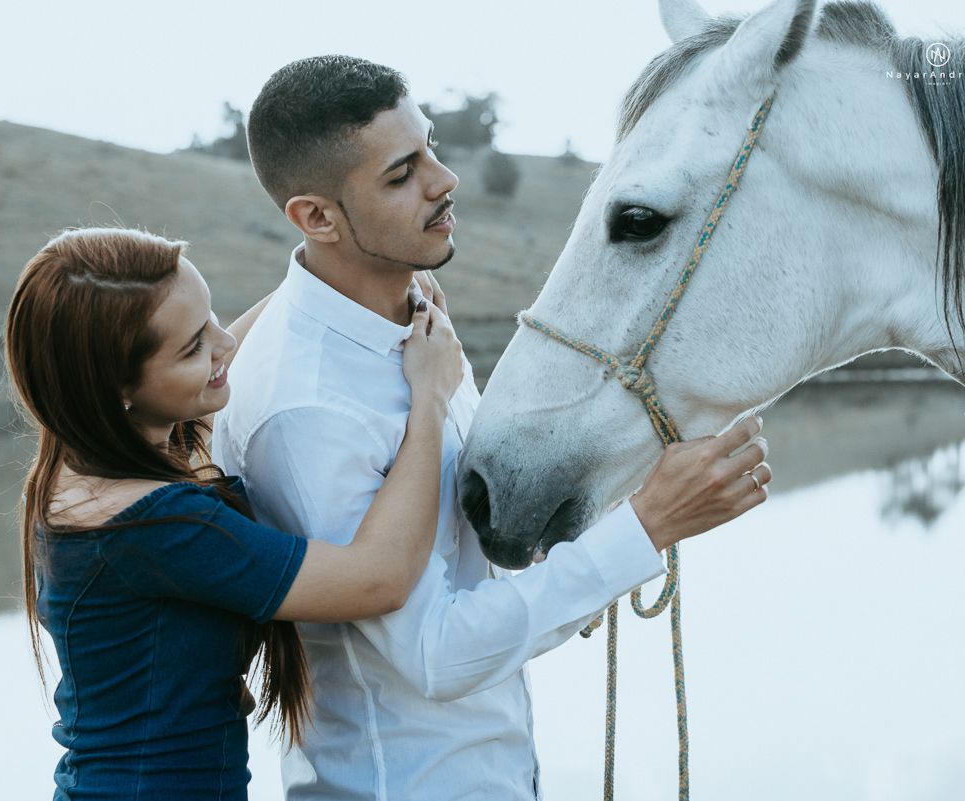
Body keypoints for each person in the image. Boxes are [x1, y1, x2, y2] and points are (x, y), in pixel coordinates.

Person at [214, 55, 773, 800]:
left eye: (432, 146)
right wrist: (646, 526)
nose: (444, 180)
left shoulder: (414, 319)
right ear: (317, 217)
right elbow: (435, 652)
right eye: (401, 173)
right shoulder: (305, 410)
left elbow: (473, 560)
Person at [4, 226, 468, 800]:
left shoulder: (73, 476)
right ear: (118, 388)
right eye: (193, 345)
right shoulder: (161, 526)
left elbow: (203, 398)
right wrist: (431, 397)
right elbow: (378, 578)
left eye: (211, 318)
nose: (225, 345)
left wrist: (332, 270)